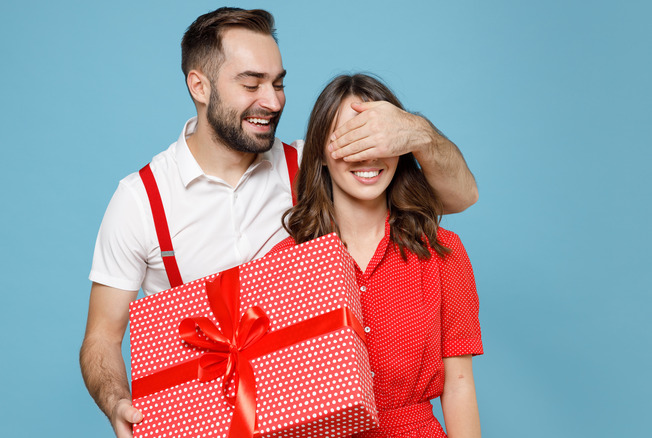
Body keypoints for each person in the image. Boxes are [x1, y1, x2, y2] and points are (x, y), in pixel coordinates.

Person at [80, 8, 479, 438]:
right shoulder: (139, 201)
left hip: (314, 415)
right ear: (199, 85)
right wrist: (117, 402)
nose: (272, 101)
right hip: (206, 420)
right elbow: (101, 337)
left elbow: (455, 197)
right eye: (251, 84)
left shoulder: (309, 166)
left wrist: (417, 132)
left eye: (279, 83)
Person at [269, 73, 482, 437]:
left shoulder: (443, 252)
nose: (366, 155)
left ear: (401, 149)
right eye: (350, 140)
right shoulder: (285, 263)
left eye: (377, 139)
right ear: (319, 152)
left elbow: (459, 384)